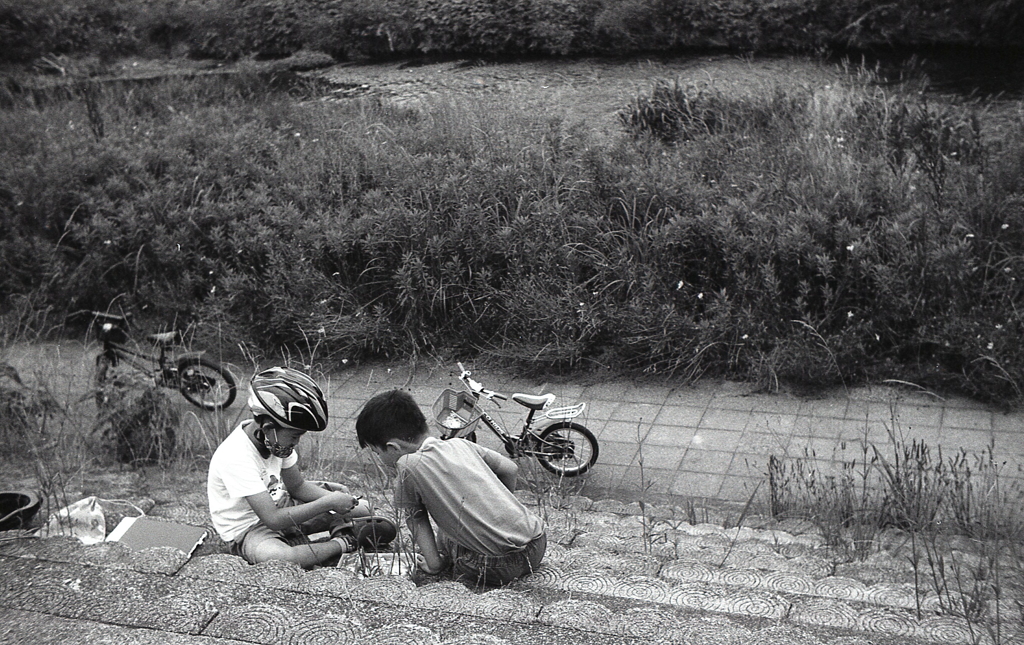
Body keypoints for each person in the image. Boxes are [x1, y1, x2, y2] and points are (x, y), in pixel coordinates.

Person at [355, 388, 546, 587]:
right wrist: (496, 510)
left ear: (393, 447)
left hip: (494, 566)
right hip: (537, 542)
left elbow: (416, 519)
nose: (379, 458)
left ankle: (443, 560)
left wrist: (434, 564)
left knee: (445, 535)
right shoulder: (460, 444)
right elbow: (510, 469)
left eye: (377, 452)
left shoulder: (408, 464)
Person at [208, 367, 395, 567]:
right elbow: (273, 520)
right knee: (280, 558)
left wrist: (339, 500)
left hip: (280, 502)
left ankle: (342, 526)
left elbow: (297, 487)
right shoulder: (235, 456)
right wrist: (329, 502)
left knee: (367, 510)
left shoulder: (276, 441)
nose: (297, 442)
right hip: (249, 528)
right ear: (270, 428)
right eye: (295, 435)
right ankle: (344, 541)